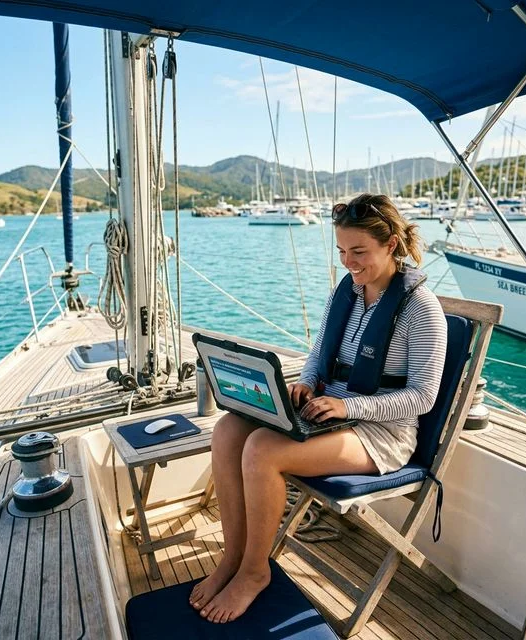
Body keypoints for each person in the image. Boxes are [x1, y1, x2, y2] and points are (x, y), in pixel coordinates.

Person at [189, 193, 448, 624]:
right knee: (229, 430)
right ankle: (231, 559)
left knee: (262, 451)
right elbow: (319, 352)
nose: (349, 262)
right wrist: (307, 383)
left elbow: (423, 397)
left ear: (392, 245)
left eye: (359, 252)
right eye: (343, 251)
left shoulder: (421, 310)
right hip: (330, 414)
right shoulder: (347, 291)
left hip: (380, 434)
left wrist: (349, 409)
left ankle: (255, 573)